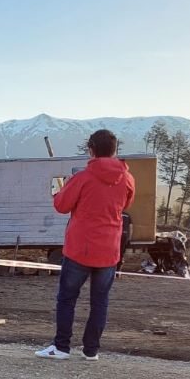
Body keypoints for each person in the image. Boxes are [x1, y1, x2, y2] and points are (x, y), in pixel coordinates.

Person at [35, 129, 135, 361]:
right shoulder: (128, 179)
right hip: (109, 250)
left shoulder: (82, 178)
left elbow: (61, 205)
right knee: (100, 302)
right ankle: (91, 350)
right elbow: (125, 204)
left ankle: (61, 347)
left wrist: (59, 191)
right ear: (115, 150)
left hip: (80, 249)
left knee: (67, 298)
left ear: (90, 149)